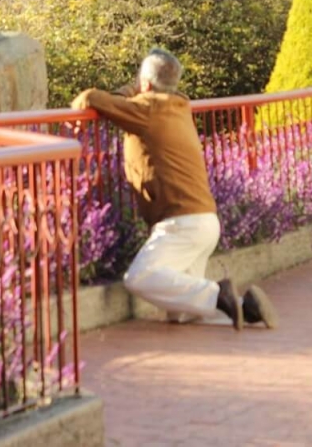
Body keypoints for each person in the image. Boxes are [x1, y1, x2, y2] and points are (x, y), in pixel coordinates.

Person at [71, 48, 278, 330]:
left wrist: (127, 90)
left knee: (139, 278)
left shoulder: (147, 109)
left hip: (181, 223)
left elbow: (90, 98)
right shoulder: (178, 108)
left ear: (144, 85)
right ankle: (246, 308)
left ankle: (220, 294)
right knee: (182, 311)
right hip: (205, 220)